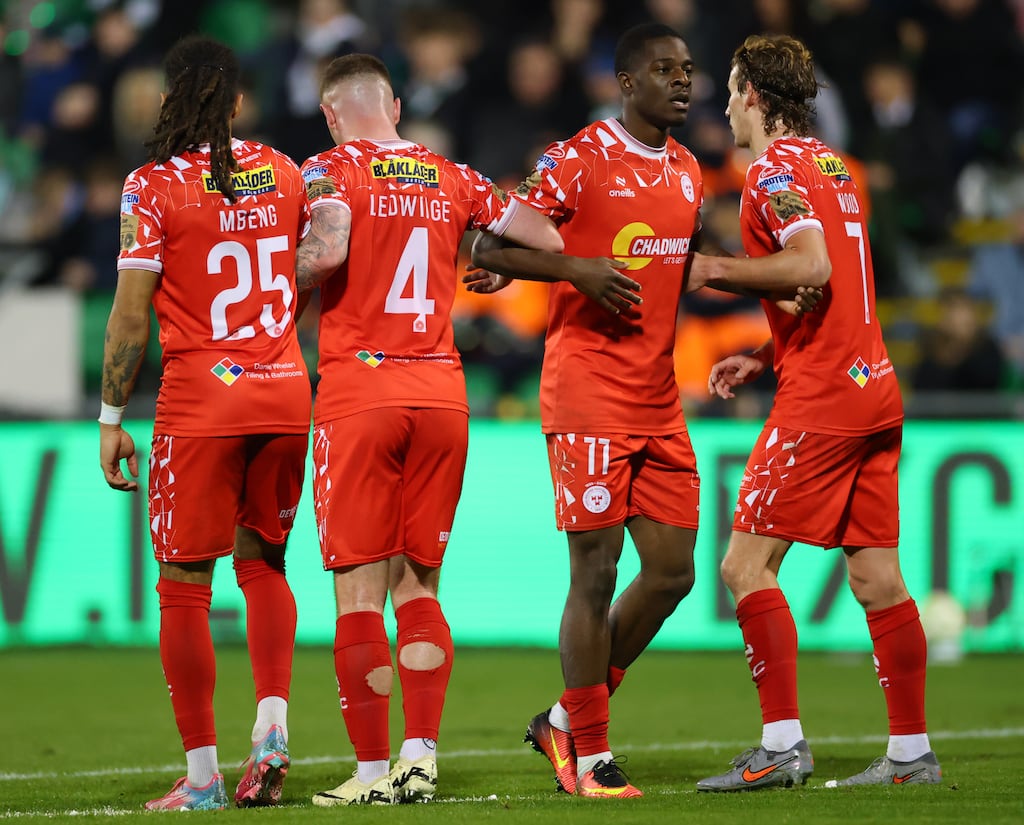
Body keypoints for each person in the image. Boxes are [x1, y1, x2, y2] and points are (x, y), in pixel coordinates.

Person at [292, 53, 566, 806]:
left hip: (362, 390)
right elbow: (540, 232)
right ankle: (421, 758)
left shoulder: (329, 167)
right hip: (442, 392)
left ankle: (373, 768)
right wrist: (501, 262)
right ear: (398, 105)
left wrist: (280, 279)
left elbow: (330, 245)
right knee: (420, 583)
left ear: (329, 112)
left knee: (357, 592)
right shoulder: (454, 175)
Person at [687, 34, 941, 790]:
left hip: (825, 397)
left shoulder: (767, 171)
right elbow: (837, 288)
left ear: (757, 98)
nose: (727, 107)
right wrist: (767, 353)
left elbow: (811, 266)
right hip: (874, 382)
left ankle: (781, 746)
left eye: (733, 92)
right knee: (877, 578)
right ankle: (910, 755)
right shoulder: (834, 164)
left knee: (744, 563)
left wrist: (711, 268)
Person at [469, 22, 715, 799]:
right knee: (596, 571)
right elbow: (489, 245)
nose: (683, 80)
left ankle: (565, 719)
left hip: (658, 397)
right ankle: (594, 754)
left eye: (688, 69)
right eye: (665, 70)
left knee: (673, 573)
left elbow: (679, 270)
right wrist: (572, 267)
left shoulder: (687, 171)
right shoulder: (576, 159)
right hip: (587, 393)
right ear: (626, 82)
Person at [98, 35, 312, 811]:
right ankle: (274, 723)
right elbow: (312, 265)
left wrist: (110, 414)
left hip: (202, 401)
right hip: (287, 392)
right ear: (240, 104)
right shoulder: (286, 171)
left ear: (168, 100)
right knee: (266, 565)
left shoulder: (151, 186)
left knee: (185, 586)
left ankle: (202, 778)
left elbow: (128, 316)